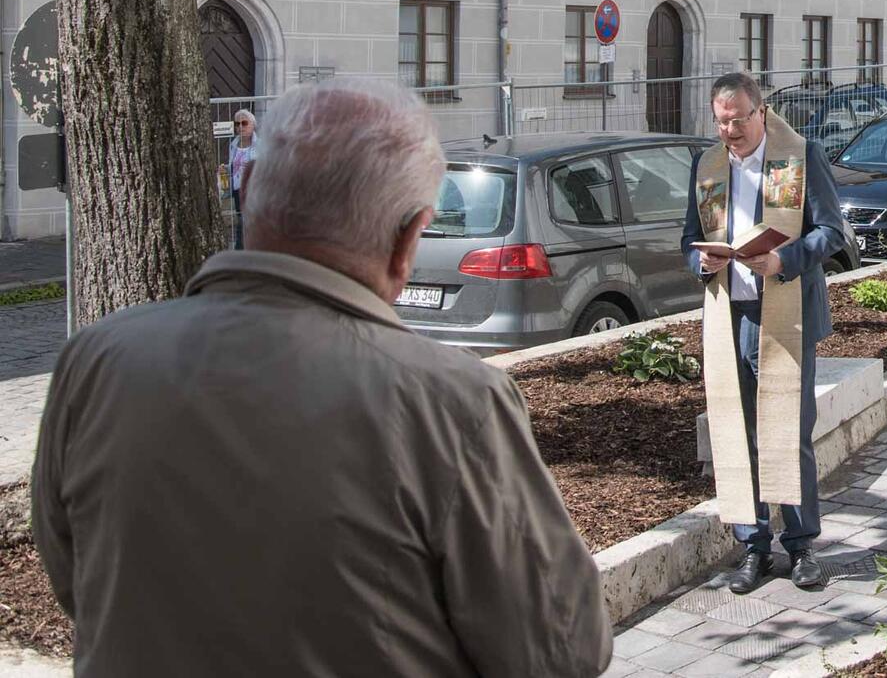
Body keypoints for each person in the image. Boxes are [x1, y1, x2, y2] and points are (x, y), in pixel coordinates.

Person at [32, 81, 613, 677]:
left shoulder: (96, 359)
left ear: (251, 189)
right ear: (409, 237)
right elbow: (563, 650)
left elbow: (73, 575)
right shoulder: (452, 403)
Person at [681, 72, 845, 595]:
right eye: (722, 121)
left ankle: (801, 547)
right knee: (738, 433)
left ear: (763, 114)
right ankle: (753, 547)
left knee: (786, 434)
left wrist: (783, 259)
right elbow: (690, 238)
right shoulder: (707, 167)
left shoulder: (797, 157)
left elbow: (833, 232)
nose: (730, 131)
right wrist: (699, 262)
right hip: (730, 316)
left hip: (785, 313)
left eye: (739, 120)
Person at [222, 109, 259, 249]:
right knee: (241, 221)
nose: (240, 127)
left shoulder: (259, 145)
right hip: (238, 189)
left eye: (244, 123)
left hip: (252, 189)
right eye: (237, 124)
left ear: (253, 125)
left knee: (248, 222)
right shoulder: (234, 145)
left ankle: (243, 250)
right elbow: (234, 166)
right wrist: (225, 169)